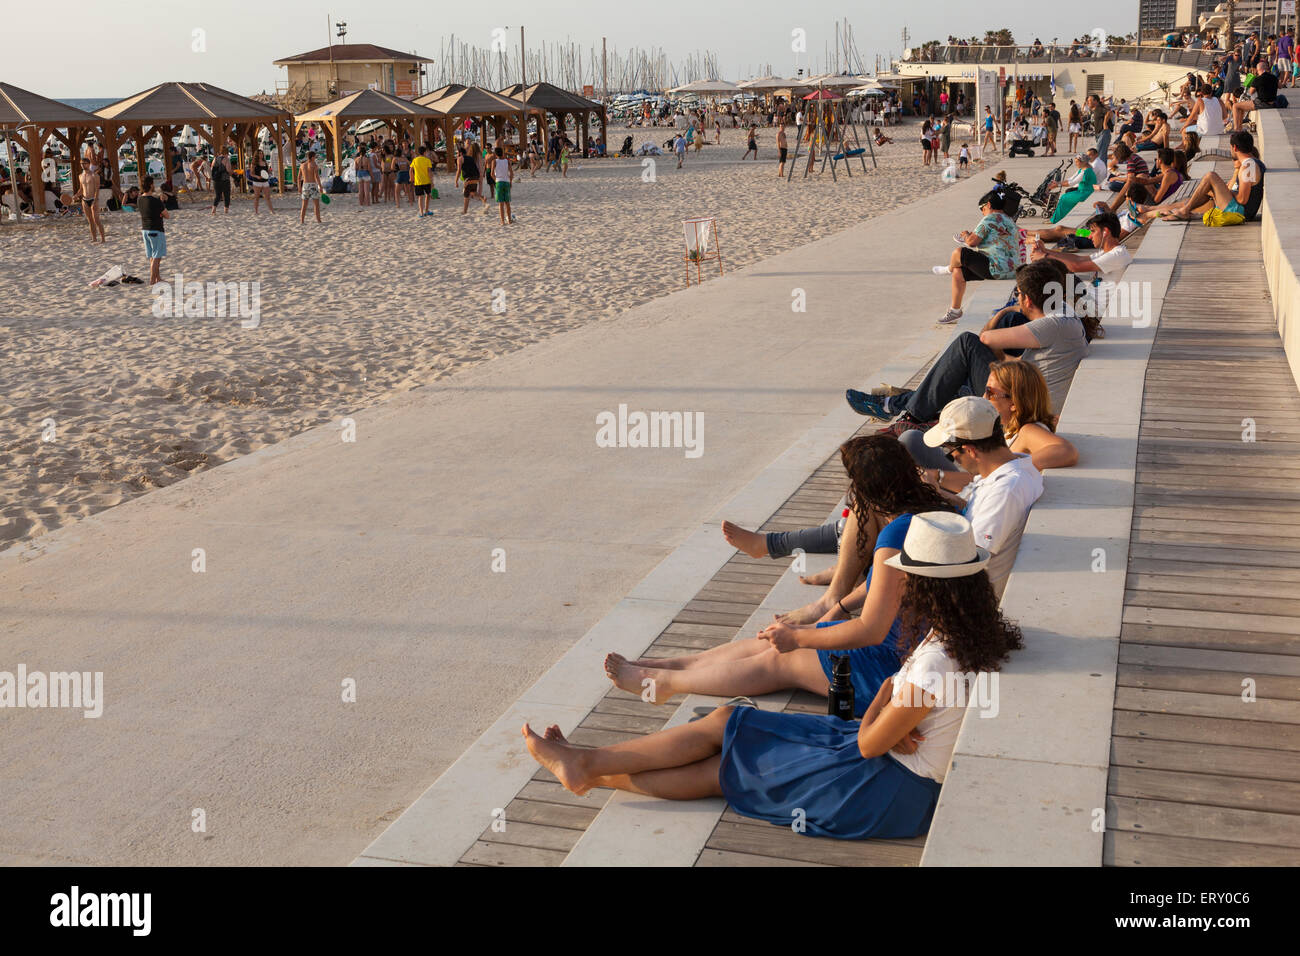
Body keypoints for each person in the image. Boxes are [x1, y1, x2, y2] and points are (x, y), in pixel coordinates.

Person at [527, 511, 1021, 841]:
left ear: (925, 583)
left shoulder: (937, 659)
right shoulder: (967, 631)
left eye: (907, 573)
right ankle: (585, 764)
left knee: (725, 761)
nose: (901, 579)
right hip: (890, 767)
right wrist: (893, 716)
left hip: (884, 787)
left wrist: (887, 697)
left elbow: (873, 744)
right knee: (726, 725)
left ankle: (587, 768)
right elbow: (897, 730)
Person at [849, 258, 1100, 422]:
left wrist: (1004, 311)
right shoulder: (1062, 315)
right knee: (956, 381)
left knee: (966, 343)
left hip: (1022, 410)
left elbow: (984, 338)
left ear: (1027, 300)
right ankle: (893, 405)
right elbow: (1016, 357)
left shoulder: (1051, 325)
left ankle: (909, 415)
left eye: (1019, 294)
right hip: (1025, 395)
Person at [901, 360, 1078, 477]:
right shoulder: (1009, 426)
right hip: (976, 481)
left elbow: (1065, 451)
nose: (983, 397)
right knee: (913, 441)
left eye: (990, 392)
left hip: (978, 489)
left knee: (911, 440)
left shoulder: (1028, 430)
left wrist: (1007, 468)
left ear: (1014, 402)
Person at [929, 189, 1020, 324]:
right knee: (959, 272)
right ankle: (955, 311)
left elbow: (971, 242)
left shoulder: (989, 218)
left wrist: (966, 235)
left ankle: (948, 269)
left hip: (995, 268)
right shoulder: (1009, 220)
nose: (982, 213)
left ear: (988, 205)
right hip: (1011, 269)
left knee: (959, 253)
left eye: (982, 209)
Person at [1030, 210, 1132, 325]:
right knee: (1053, 271)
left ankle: (1032, 309)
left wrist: (1044, 256)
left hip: (1091, 311)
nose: (1089, 236)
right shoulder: (1108, 252)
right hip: (1087, 298)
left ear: (1105, 232)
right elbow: (1077, 259)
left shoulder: (1117, 255)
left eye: (1093, 231)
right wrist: (1046, 251)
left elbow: (1076, 266)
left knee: (1051, 273)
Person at [1155, 131, 1265, 226]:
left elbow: (1242, 199)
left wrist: (1225, 191)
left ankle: (1185, 211)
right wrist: (1221, 191)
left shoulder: (1248, 166)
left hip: (1241, 213)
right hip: (1242, 210)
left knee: (1210, 176)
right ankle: (1188, 211)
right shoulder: (1253, 163)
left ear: (1234, 147)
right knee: (1209, 187)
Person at [137, 175, 169, 286]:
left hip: (145, 230)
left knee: (152, 256)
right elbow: (167, 215)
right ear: (151, 185)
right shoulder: (155, 201)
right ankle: (152, 280)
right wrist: (162, 204)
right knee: (156, 257)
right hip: (156, 230)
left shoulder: (140, 199)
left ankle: (157, 278)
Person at [1047, 153, 1097, 223]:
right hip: (1082, 191)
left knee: (1064, 198)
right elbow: (1071, 179)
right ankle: (1058, 218)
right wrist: (1057, 183)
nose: (1076, 164)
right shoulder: (1083, 169)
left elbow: (1072, 183)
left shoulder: (1085, 171)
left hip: (1086, 193)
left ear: (1083, 162)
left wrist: (1057, 185)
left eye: (1077, 162)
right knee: (1066, 197)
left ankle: (1055, 220)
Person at [76, 162, 105, 243]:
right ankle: (94, 238)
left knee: (96, 220)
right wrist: (75, 195)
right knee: (90, 220)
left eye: (84, 163)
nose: (82, 165)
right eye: (81, 163)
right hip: (84, 200)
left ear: (89, 164)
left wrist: (95, 200)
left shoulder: (94, 175)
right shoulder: (80, 176)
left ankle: (103, 239)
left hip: (93, 199)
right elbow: (81, 189)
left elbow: (97, 189)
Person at [459, 143, 489, 213]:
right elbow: (483, 164)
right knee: (476, 188)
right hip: (479, 172)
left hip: (474, 173)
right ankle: (481, 197)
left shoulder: (473, 156)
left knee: (467, 192)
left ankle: (465, 210)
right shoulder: (480, 154)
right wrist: (483, 172)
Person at [298, 149, 323, 224]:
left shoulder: (302, 165)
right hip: (313, 185)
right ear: (312, 157)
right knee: (316, 205)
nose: (315, 158)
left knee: (304, 205)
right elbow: (317, 176)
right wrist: (320, 186)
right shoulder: (314, 165)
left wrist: (299, 187)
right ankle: (318, 220)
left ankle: (302, 221)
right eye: (315, 157)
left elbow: (299, 177)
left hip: (305, 186)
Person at [411, 144, 435, 218]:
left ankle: (421, 212)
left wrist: (411, 178)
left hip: (418, 181)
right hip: (426, 181)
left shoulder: (415, 160)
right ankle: (426, 210)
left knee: (420, 197)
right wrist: (432, 182)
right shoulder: (427, 160)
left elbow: (410, 170)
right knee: (427, 195)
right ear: (424, 152)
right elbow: (429, 172)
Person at [492, 146, 514, 226]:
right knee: (507, 203)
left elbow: (492, 174)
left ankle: (502, 221)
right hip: (506, 182)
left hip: (499, 182)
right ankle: (509, 220)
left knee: (501, 203)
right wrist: (510, 182)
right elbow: (511, 173)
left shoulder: (494, 161)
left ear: (495, 154)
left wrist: (496, 181)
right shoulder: (507, 161)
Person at [248, 150, 274, 214]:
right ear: (257, 155)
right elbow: (251, 173)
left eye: (262, 153)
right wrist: (257, 176)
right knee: (257, 197)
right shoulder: (254, 163)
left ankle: (272, 211)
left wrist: (269, 171)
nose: (261, 155)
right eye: (260, 153)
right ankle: (256, 211)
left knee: (268, 197)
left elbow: (267, 171)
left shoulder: (265, 162)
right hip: (257, 182)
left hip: (265, 181)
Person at [210, 150, 232, 215]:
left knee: (218, 195)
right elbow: (228, 170)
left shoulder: (215, 159)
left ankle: (213, 209)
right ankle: (226, 211)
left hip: (216, 180)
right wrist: (233, 172)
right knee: (226, 195)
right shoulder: (226, 159)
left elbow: (212, 168)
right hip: (224, 179)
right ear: (226, 153)